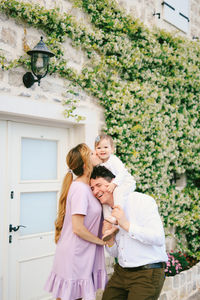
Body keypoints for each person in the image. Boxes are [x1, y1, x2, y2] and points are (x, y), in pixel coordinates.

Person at [90, 165, 168, 300]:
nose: (95, 191)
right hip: (122, 272)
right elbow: (115, 253)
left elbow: (158, 238)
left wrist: (126, 225)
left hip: (148, 272)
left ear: (113, 183)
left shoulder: (142, 201)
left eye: (99, 185)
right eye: (92, 188)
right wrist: (109, 241)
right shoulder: (107, 211)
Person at [44, 144, 107, 300]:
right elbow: (78, 228)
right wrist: (101, 242)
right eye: (92, 153)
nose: (96, 154)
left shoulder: (88, 187)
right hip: (75, 254)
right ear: (86, 164)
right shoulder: (80, 189)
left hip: (83, 252)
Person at [94, 134, 136, 241]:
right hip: (116, 184)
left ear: (112, 149)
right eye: (99, 148)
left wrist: (114, 184)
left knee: (117, 193)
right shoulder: (101, 162)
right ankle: (109, 222)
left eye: (106, 147)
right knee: (105, 204)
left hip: (126, 183)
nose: (102, 150)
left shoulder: (114, 160)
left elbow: (122, 173)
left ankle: (116, 214)